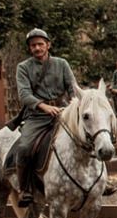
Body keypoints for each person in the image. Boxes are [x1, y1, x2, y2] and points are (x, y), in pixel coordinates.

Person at [11, 28, 77, 207]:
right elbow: (24, 94)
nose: (37, 48)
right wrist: (44, 107)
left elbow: (72, 88)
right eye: (33, 45)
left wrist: (75, 105)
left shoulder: (61, 63)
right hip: (37, 116)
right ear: (30, 48)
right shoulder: (23, 68)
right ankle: (25, 189)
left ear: (48, 45)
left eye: (40, 44)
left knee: (88, 136)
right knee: (24, 147)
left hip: (63, 112)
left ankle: (100, 180)